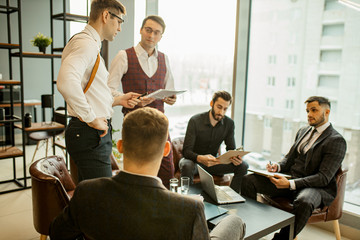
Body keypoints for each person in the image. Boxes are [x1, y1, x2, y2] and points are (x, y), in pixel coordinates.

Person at [50, 107, 246, 240]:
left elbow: (57, 233)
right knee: (235, 221)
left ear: (120, 146)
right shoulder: (190, 209)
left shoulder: (87, 192)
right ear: (167, 150)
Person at [241, 96, 347, 240]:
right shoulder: (303, 131)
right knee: (248, 180)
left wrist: (291, 183)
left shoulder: (336, 140)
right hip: (290, 179)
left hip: (315, 187)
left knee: (304, 201)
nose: (309, 114)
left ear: (327, 112)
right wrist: (277, 166)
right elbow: (289, 158)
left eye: (314, 110)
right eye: (307, 110)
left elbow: (323, 178)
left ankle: (281, 239)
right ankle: (250, 227)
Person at [57, 0, 140, 182]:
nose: (119, 28)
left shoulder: (91, 45)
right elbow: (65, 81)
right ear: (105, 16)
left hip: (90, 133)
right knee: (101, 200)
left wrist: (120, 99)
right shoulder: (86, 44)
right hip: (89, 133)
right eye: (119, 21)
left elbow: (93, 93)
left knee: (90, 198)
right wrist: (91, 118)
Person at [108, 15, 176, 188]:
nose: (151, 35)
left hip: (160, 123)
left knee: (167, 169)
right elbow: (108, 90)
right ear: (141, 30)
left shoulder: (164, 59)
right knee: (136, 173)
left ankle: (165, 210)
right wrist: (128, 99)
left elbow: (170, 91)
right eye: (148, 30)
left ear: (161, 36)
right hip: (133, 123)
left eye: (156, 32)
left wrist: (171, 98)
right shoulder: (124, 56)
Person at [180, 91, 249, 193]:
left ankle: (233, 197)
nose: (221, 112)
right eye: (219, 107)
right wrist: (200, 158)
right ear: (212, 103)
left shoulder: (229, 124)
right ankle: (188, 200)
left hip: (214, 163)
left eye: (225, 109)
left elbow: (230, 149)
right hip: (194, 161)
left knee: (243, 166)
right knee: (186, 165)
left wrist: (235, 158)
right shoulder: (195, 121)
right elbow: (186, 151)